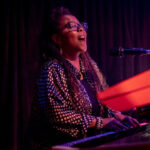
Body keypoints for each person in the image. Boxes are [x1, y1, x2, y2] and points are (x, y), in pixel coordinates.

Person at [29, 6, 140, 150]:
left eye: (81, 25)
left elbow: (104, 102)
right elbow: (57, 116)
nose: (81, 29)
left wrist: (119, 117)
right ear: (57, 39)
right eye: (71, 26)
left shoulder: (90, 66)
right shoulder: (51, 69)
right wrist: (101, 122)